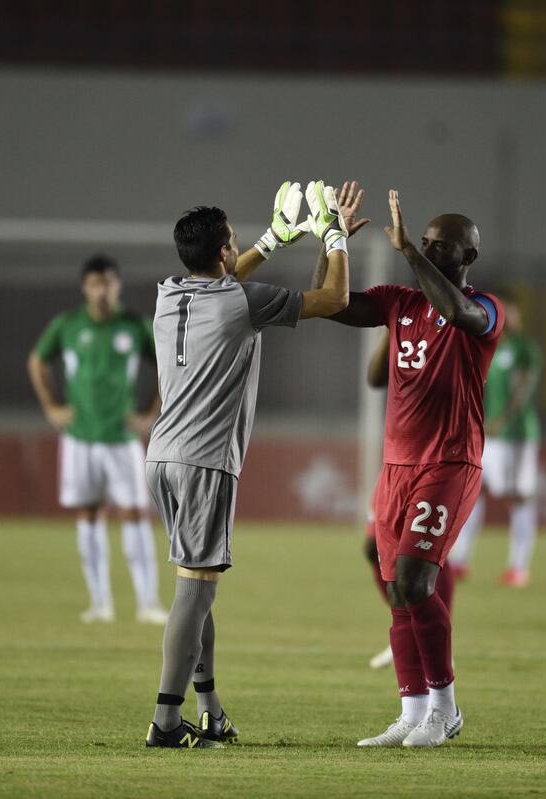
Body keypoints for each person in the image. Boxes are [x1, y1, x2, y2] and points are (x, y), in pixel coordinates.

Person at [143, 180, 353, 748]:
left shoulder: (169, 292)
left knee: (197, 583)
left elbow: (226, 275)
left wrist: (275, 238)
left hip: (161, 456)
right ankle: (165, 720)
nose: (238, 250)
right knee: (194, 592)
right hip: (205, 461)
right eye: (233, 242)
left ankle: (210, 709)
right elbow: (334, 299)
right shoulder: (240, 300)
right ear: (221, 253)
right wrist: (332, 235)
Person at [323, 188, 504, 748]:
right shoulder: (400, 302)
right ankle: (411, 710)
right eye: (424, 242)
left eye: (441, 246)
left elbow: (455, 309)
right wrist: (334, 242)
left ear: (467, 256)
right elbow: (333, 303)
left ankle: (445, 711)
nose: (428, 249)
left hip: (450, 462)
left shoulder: (487, 310)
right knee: (397, 591)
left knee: (415, 581)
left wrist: (406, 252)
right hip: (396, 466)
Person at [28, 255, 168, 625]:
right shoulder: (69, 325)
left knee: (135, 515)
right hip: (80, 439)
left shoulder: (135, 326)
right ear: (85, 288)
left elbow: (166, 366)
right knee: (89, 515)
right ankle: (100, 602)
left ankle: (147, 602)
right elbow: (38, 362)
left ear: (117, 286)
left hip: (121, 438)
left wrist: (150, 412)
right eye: (95, 284)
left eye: (108, 283)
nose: (102, 290)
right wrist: (52, 408)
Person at [362, 331, 457, 670]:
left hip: (442, 457)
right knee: (373, 546)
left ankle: (437, 637)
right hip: (400, 457)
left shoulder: (456, 324)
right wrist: (392, 329)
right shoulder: (405, 319)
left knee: (426, 557)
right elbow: (375, 377)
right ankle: (416, 628)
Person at [447, 294, 542, 587]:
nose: (508, 316)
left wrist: (503, 418)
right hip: (487, 433)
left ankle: (518, 567)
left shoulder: (525, 348)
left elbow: (524, 388)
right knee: (475, 491)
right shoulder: (487, 343)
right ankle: (460, 561)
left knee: (520, 496)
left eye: (511, 310)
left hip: (516, 435)